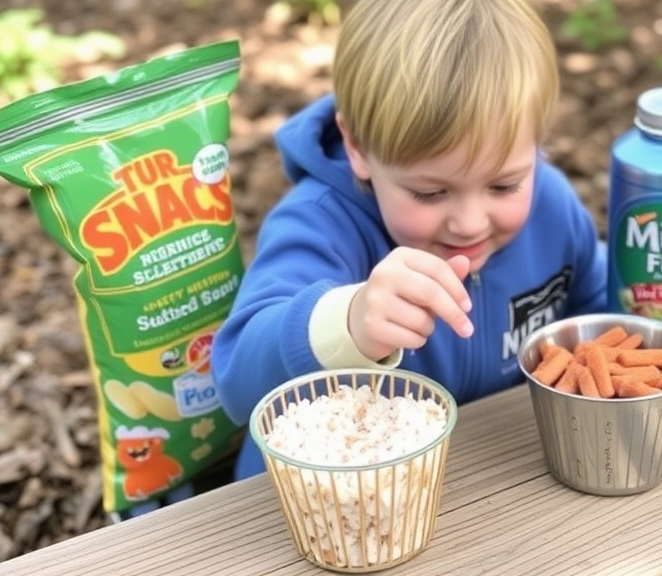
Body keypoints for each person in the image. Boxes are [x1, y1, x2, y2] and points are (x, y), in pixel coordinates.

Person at [211, 0, 607, 480]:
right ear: (357, 147)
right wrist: (348, 323)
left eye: (504, 185)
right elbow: (236, 381)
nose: (469, 222)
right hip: (319, 514)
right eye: (429, 192)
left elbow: (602, 316)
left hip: (488, 487)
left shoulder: (552, 208)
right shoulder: (321, 226)